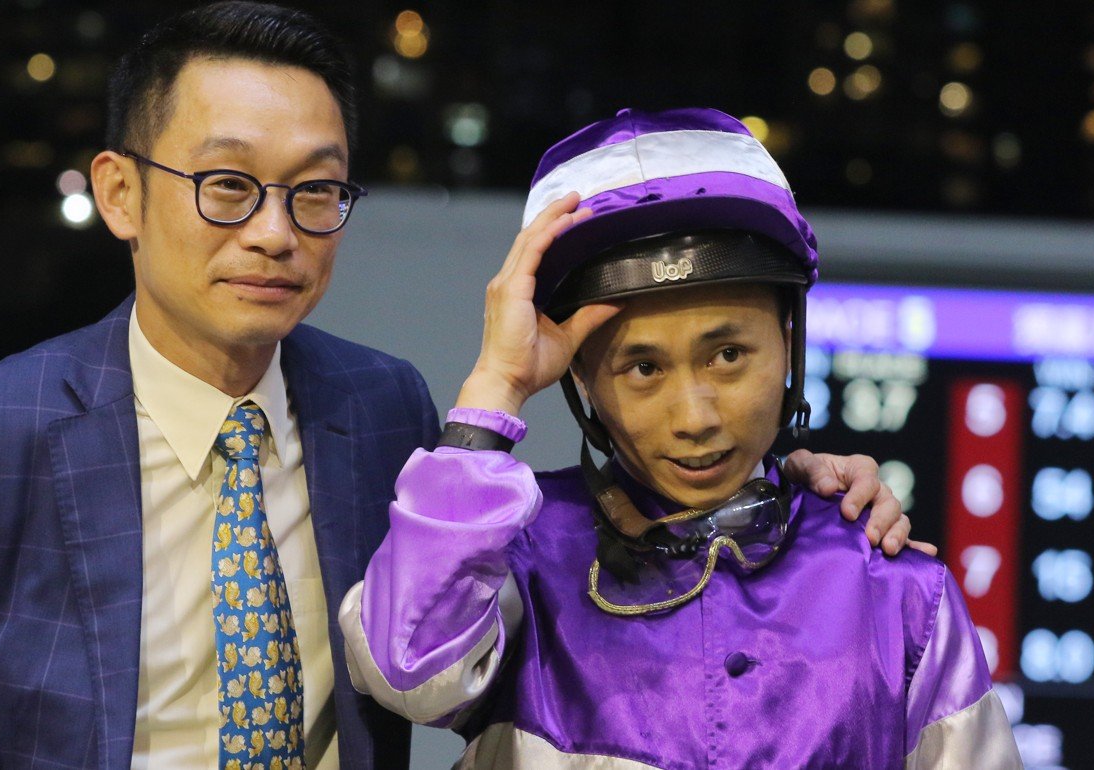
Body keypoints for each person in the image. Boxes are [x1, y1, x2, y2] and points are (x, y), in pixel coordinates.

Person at [0, 6, 917, 770]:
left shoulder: (382, 409)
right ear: (121, 189)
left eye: (317, 189)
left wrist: (795, 483)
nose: (275, 232)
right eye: (228, 185)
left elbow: (435, 650)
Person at [341, 107, 1021, 768]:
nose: (694, 416)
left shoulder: (901, 591)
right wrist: (496, 385)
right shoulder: (512, 560)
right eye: (643, 368)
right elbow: (409, 670)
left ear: (789, 344)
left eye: (727, 356)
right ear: (581, 380)